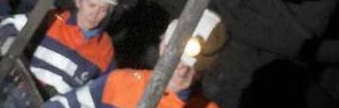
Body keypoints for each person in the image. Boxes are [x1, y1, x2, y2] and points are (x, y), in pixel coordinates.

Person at [44, 9, 228, 108]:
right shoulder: (123, 81)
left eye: (191, 64)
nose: (181, 68)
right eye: (175, 56)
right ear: (163, 44)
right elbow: (65, 104)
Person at [0, 0, 119, 98]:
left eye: (103, 10)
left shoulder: (105, 48)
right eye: (91, 5)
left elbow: (106, 89)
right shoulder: (53, 19)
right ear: (78, 2)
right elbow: (9, 24)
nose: (95, 14)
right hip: (21, 95)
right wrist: (11, 45)